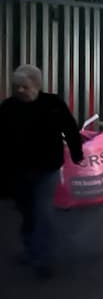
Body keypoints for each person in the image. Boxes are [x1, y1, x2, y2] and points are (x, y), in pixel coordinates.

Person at [0, 64, 83, 278]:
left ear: (36, 86)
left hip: (47, 170)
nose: (20, 91)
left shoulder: (52, 104)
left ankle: (44, 260)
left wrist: (77, 155)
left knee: (43, 213)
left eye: (24, 87)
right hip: (18, 172)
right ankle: (31, 251)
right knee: (27, 214)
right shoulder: (8, 107)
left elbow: (71, 129)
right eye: (16, 87)